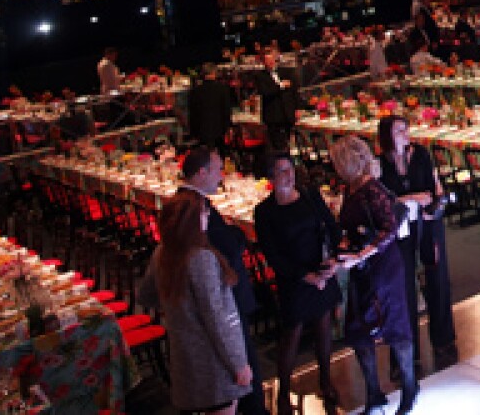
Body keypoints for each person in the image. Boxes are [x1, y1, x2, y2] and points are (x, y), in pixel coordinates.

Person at [137, 191, 252, 415]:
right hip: (213, 361)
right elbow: (216, 318)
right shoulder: (200, 258)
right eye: (204, 212)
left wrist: (180, 312)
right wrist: (238, 364)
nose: (208, 216)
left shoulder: (162, 252)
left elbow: (147, 296)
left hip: (184, 356)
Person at [330, 136, 418, 415]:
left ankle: (409, 385)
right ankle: (373, 392)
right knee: (358, 330)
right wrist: (346, 247)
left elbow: (390, 228)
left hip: (383, 267)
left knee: (393, 324)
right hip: (361, 268)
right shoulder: (350, 189)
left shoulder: (373, 189)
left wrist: (363, 253)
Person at [178, 146, 266, 415]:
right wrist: (237, 234)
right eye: (218, 169)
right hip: (224, 301)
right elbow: (228, 243)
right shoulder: (195, 207)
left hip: (210, 307)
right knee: (244, 367)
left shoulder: (191, 202)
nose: (222, 175)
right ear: (202, 173)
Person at [254, 155, 342, 415]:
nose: (289, 175)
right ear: (271, 177)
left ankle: (325, 380)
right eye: (282, 171)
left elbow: (330, 226)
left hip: (322, 268)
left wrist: (334, 260)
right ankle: (283, 391)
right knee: (292, 332)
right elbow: (273, 254)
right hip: (294, 277)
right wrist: (304, 276)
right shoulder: (265, 211)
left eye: (290, 169)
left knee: (324, 326)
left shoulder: (309, 195)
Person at [376, 116, 457, 374]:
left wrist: (437, 203)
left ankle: (444, 339)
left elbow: (436, 186)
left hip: (428, 222)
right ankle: (406, 353)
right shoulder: (380, 164)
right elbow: (382, 199)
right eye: (399, 130)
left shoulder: (420, 154)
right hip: (400, 228)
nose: (405, 133)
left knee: (437, 280)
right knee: (403, 288)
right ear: (387, 135)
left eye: (406, 128)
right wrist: (410, 198)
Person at [187, 65, 237, 152]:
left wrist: (193, 133)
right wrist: (228, 128)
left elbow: (192, 114)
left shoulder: (195, 91)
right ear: (214, 73)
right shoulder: (223, 89)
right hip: (219, 131)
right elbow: (226, 111)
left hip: (201, 132)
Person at [257, 51, 296, 156]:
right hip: (273, 116)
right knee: (277, 147)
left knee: (290, 144)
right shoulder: (260, 76)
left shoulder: (284, 72)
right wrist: (281, 86)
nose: (270, 62)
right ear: (263, 62)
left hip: (286, 115)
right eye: (267, 60)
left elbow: (293, 91)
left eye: (272, 59)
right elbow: (265, 92)